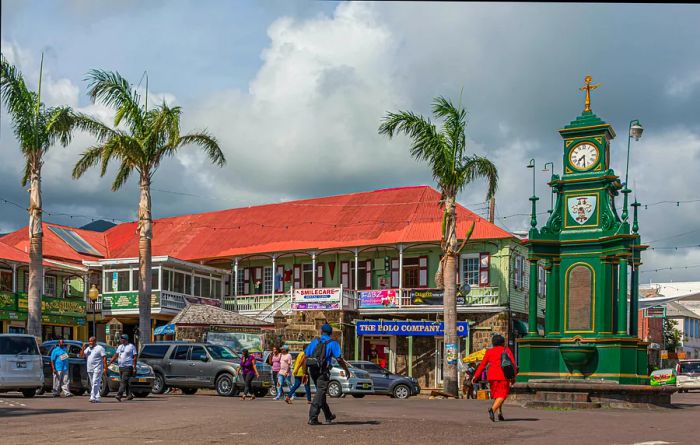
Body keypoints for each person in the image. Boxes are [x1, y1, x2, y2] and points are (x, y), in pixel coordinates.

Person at [302, 323, 350, 426]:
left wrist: (304, 373)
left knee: (321, 392)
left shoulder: (315, 341)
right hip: (323, 371)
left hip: (312, 370)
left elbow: (305, 357)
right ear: (331, 333)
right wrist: (346, 370)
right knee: (320, 393)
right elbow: (339, 358)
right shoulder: (333, 343)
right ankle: (313, 417)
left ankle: (328, 415)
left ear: (321, 331)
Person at [473, 335, 517, 422]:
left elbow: (482, 365)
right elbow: (512, 364)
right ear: (503, 342)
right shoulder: (506, 350)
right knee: (502, 395)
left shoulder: (489, 352)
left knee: (497, 395)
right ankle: (492, 410)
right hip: (503, 376)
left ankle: (499, 413)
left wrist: (476, 376)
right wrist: (513, 376)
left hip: (492, 376)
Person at [108, 334, 138, 402]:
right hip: (121, 366)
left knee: (123, 381)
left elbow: (135, 357)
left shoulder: (131, 346)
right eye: (121, 339)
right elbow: (116, 355)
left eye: (122, 339)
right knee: (126, 382)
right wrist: (109, 363)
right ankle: (129, 395)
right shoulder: (120, 346)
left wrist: (134, 367)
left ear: (126, 339)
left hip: (128, 366)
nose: (121, 340)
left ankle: (119, 395)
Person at [81, 337, 107, 403]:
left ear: (95, 341)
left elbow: (104, 358)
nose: (90, 342)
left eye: (91, 341)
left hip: (97, 368)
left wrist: (105, 368)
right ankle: (97, 397)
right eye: (89, 341)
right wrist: (83, 348)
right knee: (93, 383)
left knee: (95, 382)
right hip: (89, 368)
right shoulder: (88, 349)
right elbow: (82, 356)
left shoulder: (100, 348)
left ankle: (92, 397)